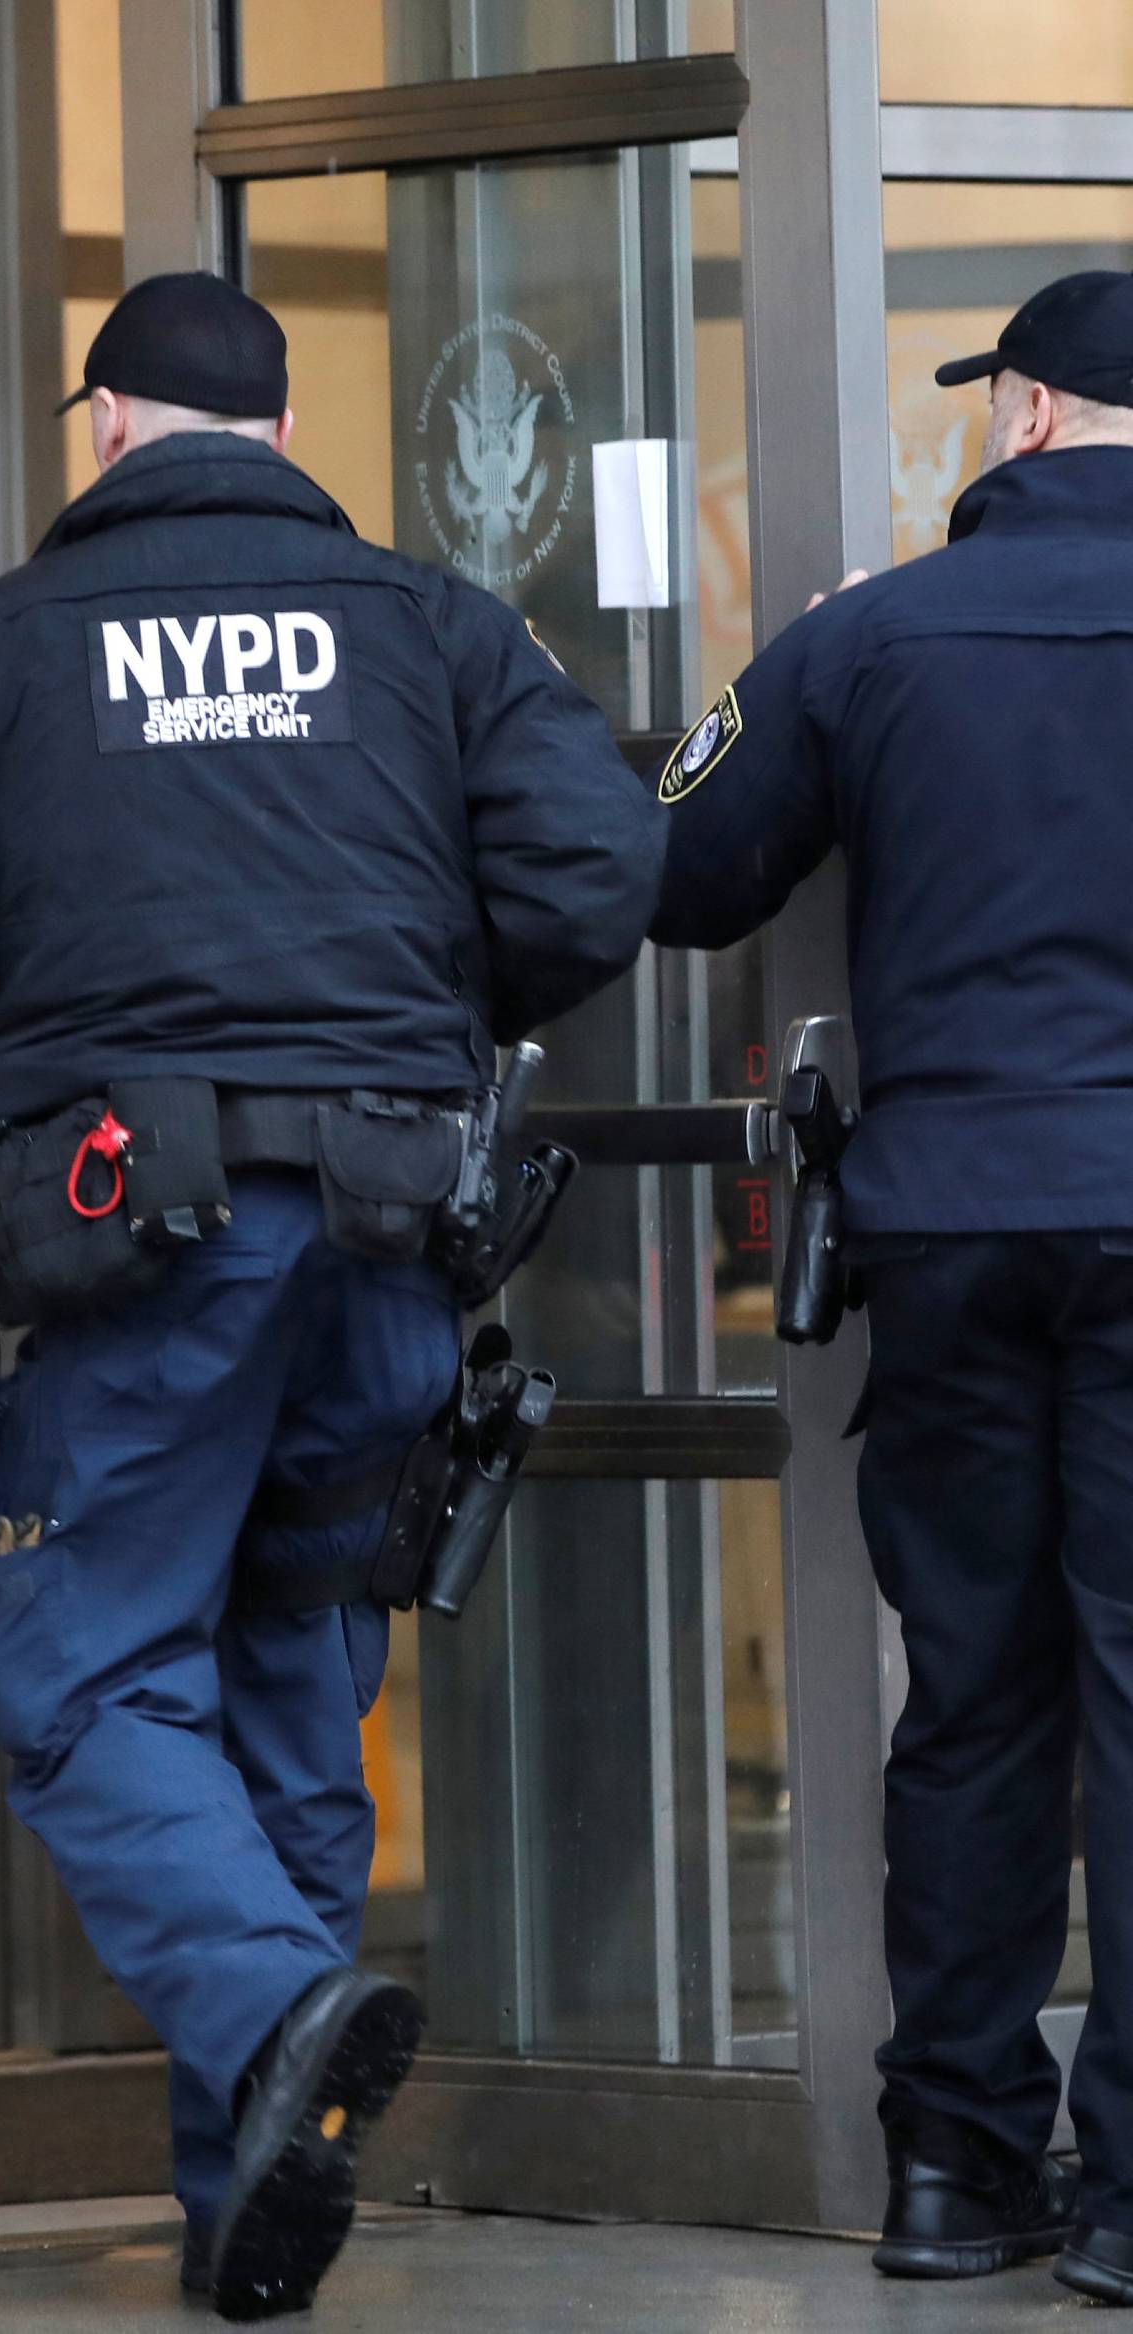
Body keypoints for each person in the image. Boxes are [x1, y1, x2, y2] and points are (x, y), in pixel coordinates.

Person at [0, 272, 662, 2320]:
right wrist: (416, 1038)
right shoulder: (436, 629)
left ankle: (278, 2016)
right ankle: (250, 2209)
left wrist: (26, 1097)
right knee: (288, 1669)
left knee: (86, 1674)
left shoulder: (0, 646)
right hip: (386, 1217)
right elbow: (592, 870)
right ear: (277, 433)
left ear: (106, 423)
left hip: (138, 1239)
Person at [650, 270, 1133, 2304]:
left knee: (983, 1695)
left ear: (1022, 417)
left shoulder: (871, 629)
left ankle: (953, 2167)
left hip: (946, 1221)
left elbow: (677, 872)